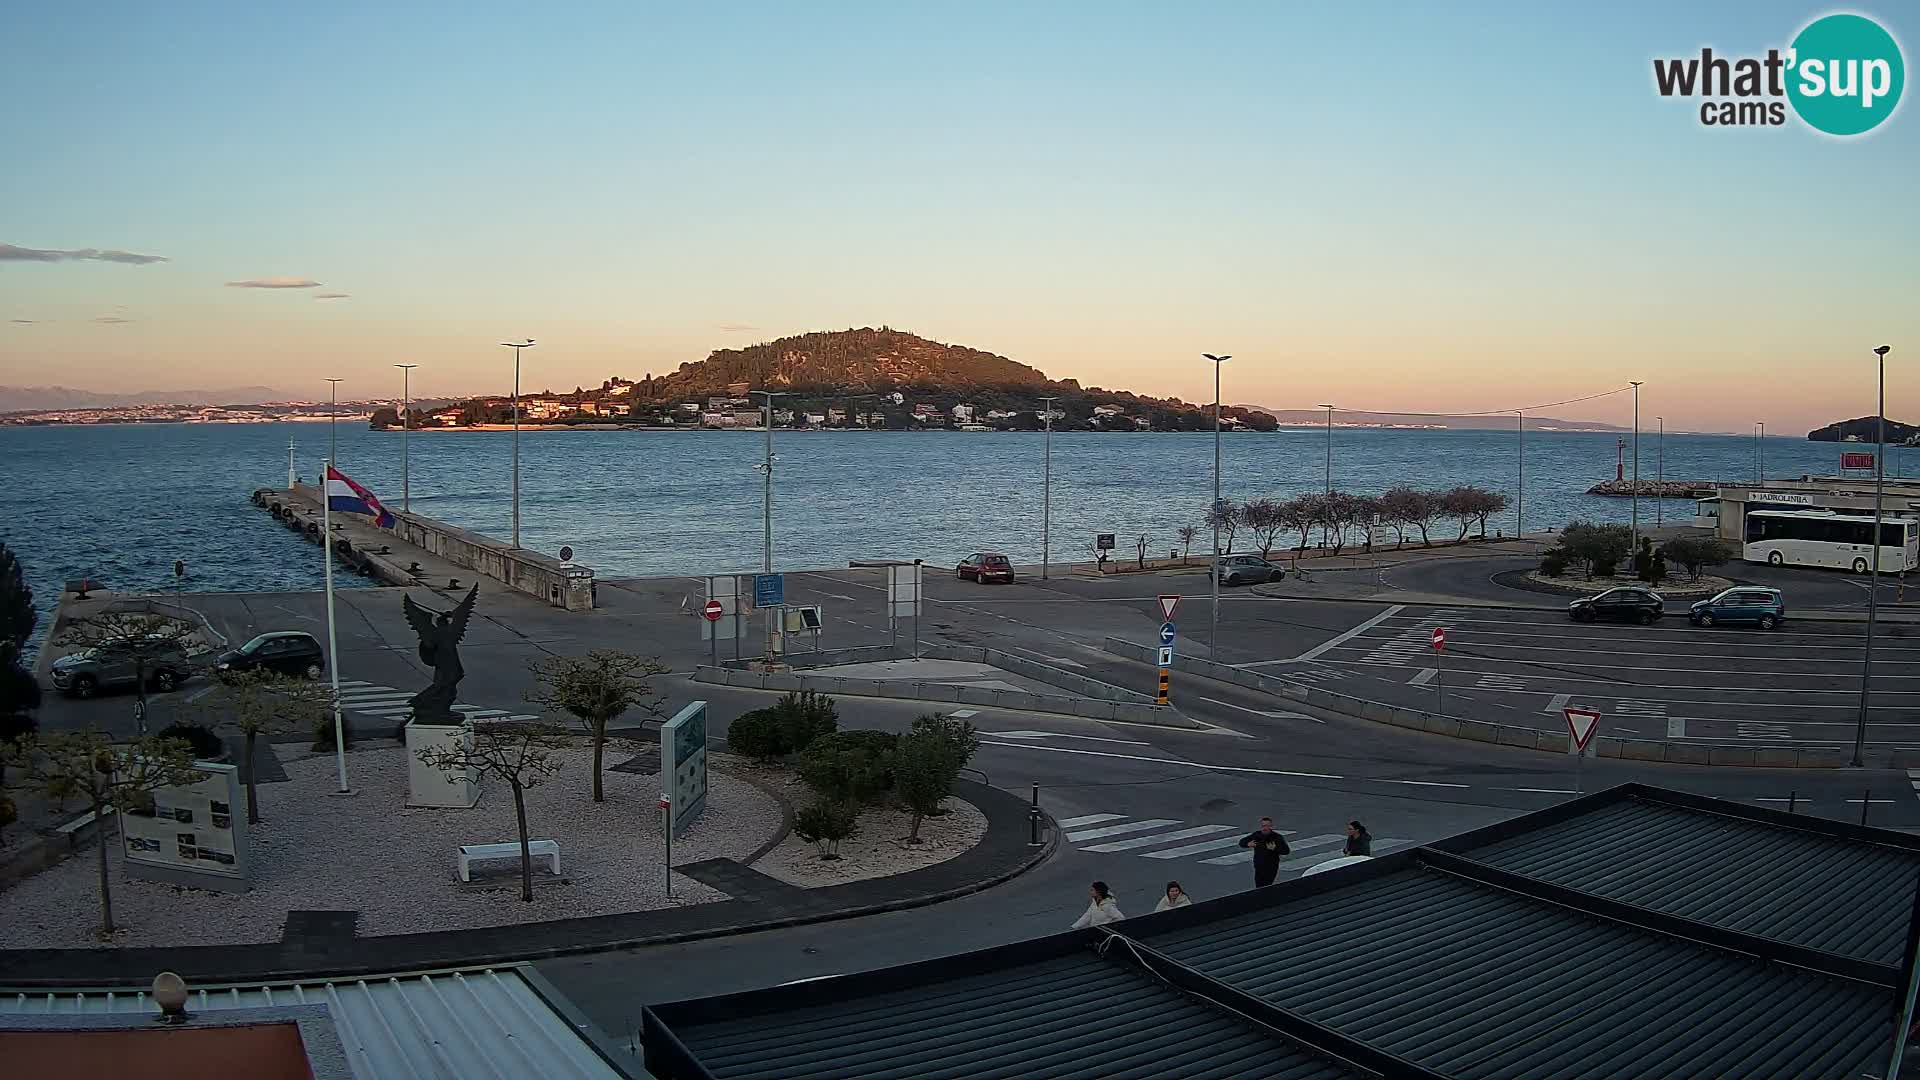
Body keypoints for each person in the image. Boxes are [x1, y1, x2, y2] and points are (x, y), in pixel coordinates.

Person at [1238, 817, 1291, 887]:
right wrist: (1247, 844)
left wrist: (1275, 848)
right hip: (1259, 866)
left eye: (1267, 826)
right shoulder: (1257, 835)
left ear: (1271, 827)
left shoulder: (1277, 837)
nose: (1265, 828)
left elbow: (1286, 851)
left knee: (1267, 886)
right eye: (1263, 826)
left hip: (1271, 867)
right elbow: (1242, 842)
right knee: (1259, 886)